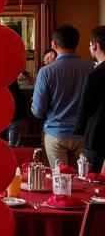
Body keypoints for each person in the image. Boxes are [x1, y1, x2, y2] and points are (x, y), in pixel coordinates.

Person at [31, 24, 92, 168]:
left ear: (54, 44)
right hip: (83, 134)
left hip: (55, 133)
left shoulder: (47, 71)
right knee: (83, 182)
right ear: (77, 42)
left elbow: (38, 110)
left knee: (59, 182)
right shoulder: (91, 68)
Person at [77, 25, 105, 172]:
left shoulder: (95, 75)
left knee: (93, 180)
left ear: (95, 46)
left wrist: (79, 129)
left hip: (97, 134)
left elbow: (85, 107)